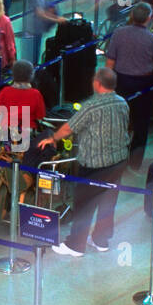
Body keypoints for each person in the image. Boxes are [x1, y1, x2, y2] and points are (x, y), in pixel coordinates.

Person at [39, 68, 130, 256]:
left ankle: (75, 245)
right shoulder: (122, 103)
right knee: (108, 203)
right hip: (119, 160)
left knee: (84, 204)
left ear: (97, 83)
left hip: (94, 164)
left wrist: (53, 139)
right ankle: (101, 240)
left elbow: (68, 128)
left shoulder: (91, 106)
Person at [105, 1, 153, 168]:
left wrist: (107, 86)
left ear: (131, 16)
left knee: (119, 120)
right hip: (143, 85)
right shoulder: (152, 39)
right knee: (141, 124)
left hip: (120, 82)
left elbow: (110, 61)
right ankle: (134, 163)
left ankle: (114, 158)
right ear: (149, 18)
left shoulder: (118, 33)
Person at [0, 60, 47, 155]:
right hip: (27, 135)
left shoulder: (5, 91)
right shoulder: (36, 94)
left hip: (7, 134)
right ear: (31, 76)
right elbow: (40, 116)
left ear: (13, 75)